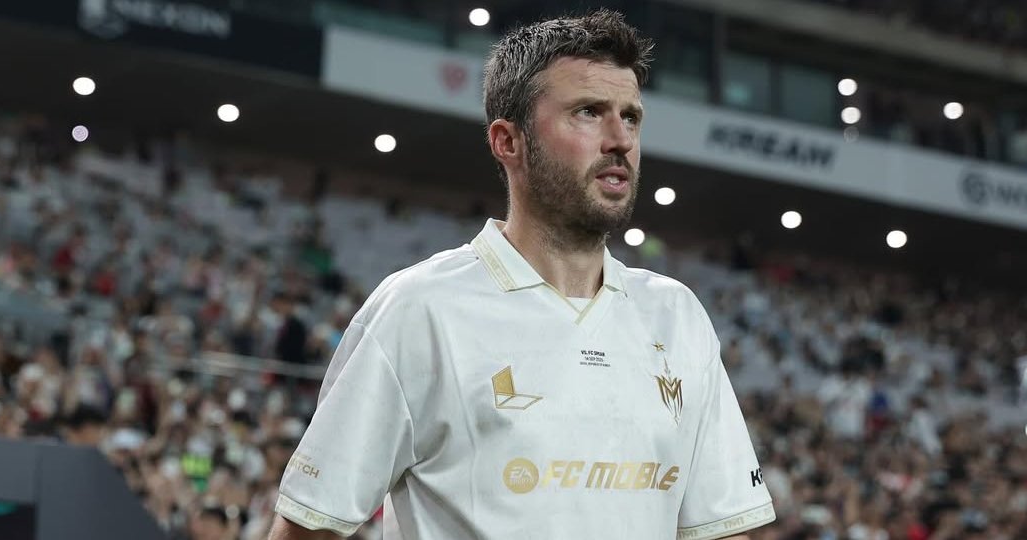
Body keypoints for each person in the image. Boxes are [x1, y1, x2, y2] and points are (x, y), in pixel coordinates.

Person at [268, 10, 774, 540]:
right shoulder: (420, 308)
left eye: (630, 117)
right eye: (588, 112)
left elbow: (724, 531)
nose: (620, 139)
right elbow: (308, 530)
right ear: (508, 141)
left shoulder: (677, 315)